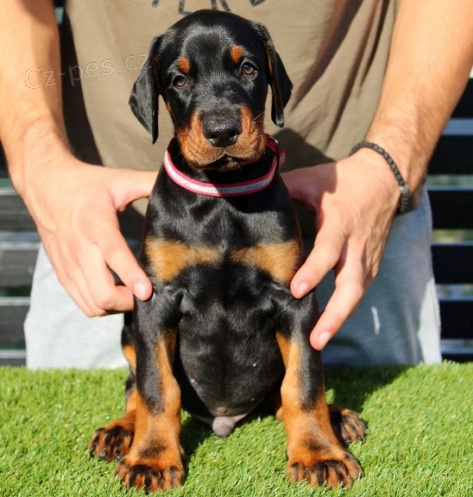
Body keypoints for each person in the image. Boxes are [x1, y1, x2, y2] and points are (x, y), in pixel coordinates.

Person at [1, 0, 472, 369]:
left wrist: (388, 164)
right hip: (104, 238)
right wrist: (45, 170)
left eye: (247, 68)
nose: (221, 120)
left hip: (352, 225)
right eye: (180, 81)